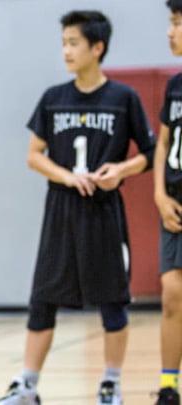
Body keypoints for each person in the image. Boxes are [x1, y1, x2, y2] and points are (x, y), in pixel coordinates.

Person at [0, 10, 156, 405]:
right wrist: (64, 175)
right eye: (63, 43)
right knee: (43, 297)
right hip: (61, 211)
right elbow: (34, 156)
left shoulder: (122, 98)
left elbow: (148, 153)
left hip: (104, 211)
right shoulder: (53, 98)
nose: (66, 50)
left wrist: (120, 170)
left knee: (113, 300)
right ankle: (27, 386)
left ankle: (110, 383)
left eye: (73, 43)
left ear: (97, 47)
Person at [154, 2, 182, 404]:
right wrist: (159, 193)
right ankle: (168, 385)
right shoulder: (175, 84)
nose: (169, 31)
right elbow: (163, 142)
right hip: (174, 204)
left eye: (177, 23)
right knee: (172, 293)